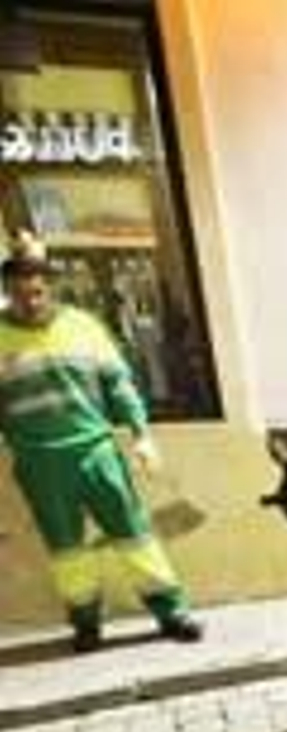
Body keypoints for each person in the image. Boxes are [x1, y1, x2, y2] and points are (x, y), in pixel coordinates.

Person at [0, 231, 202, 652]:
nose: (30, 299)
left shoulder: (83, 327)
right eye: (20, 292)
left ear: (49, 286)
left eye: (37, 290)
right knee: (66, 548)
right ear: (7, 290)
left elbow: (120, 386)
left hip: (97, 452)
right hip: (39, 462)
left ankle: (171, 612)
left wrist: (142, 435)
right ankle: (86, 623)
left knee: (134, 534)